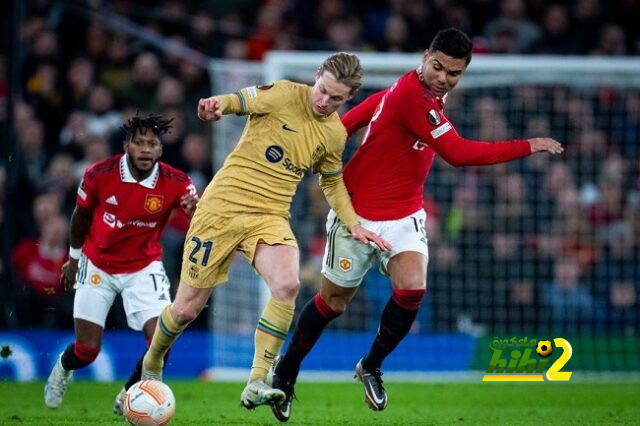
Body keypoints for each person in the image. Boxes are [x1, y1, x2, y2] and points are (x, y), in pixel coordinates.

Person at [269, 28, 564, 422]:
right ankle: (285, 374)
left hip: (405, 216)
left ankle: (371, 366)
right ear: (425, 57)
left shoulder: (417, 92)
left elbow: (368, 110)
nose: (443, 77)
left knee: (412, 288)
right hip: (357, 215)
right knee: (333, 303)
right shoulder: (413, 96)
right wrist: (528, 144)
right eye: (438, 67)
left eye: (453, 73)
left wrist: (344, 128)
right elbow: (457, 153)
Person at [140, 52, 389, 410]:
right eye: (322, 90)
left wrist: (354, 224)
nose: (324, 101)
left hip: (270, 216)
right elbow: (239, 100)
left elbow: (332, 182)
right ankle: (152, 360)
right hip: (221, 209)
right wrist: (215, 106)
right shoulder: (284, 93)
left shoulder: (334, 134)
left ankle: (257, 381)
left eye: (335, 98)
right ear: (317, 76)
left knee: (287, 285)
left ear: (349, 98)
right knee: (185, 310)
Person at [44, 113, 199, 415]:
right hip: (98, 263)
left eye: (151, 144)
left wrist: (196, 211)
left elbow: (196, 212)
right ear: (127, 144)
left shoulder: (177, 181)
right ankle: (63, 368)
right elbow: (80, 217)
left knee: (161, 346)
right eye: (139, 143)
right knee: (87, 352)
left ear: (160, 150)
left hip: (144, 267)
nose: (145, 149)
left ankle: (129, 393)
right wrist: (73, 260)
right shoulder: (99, 173)